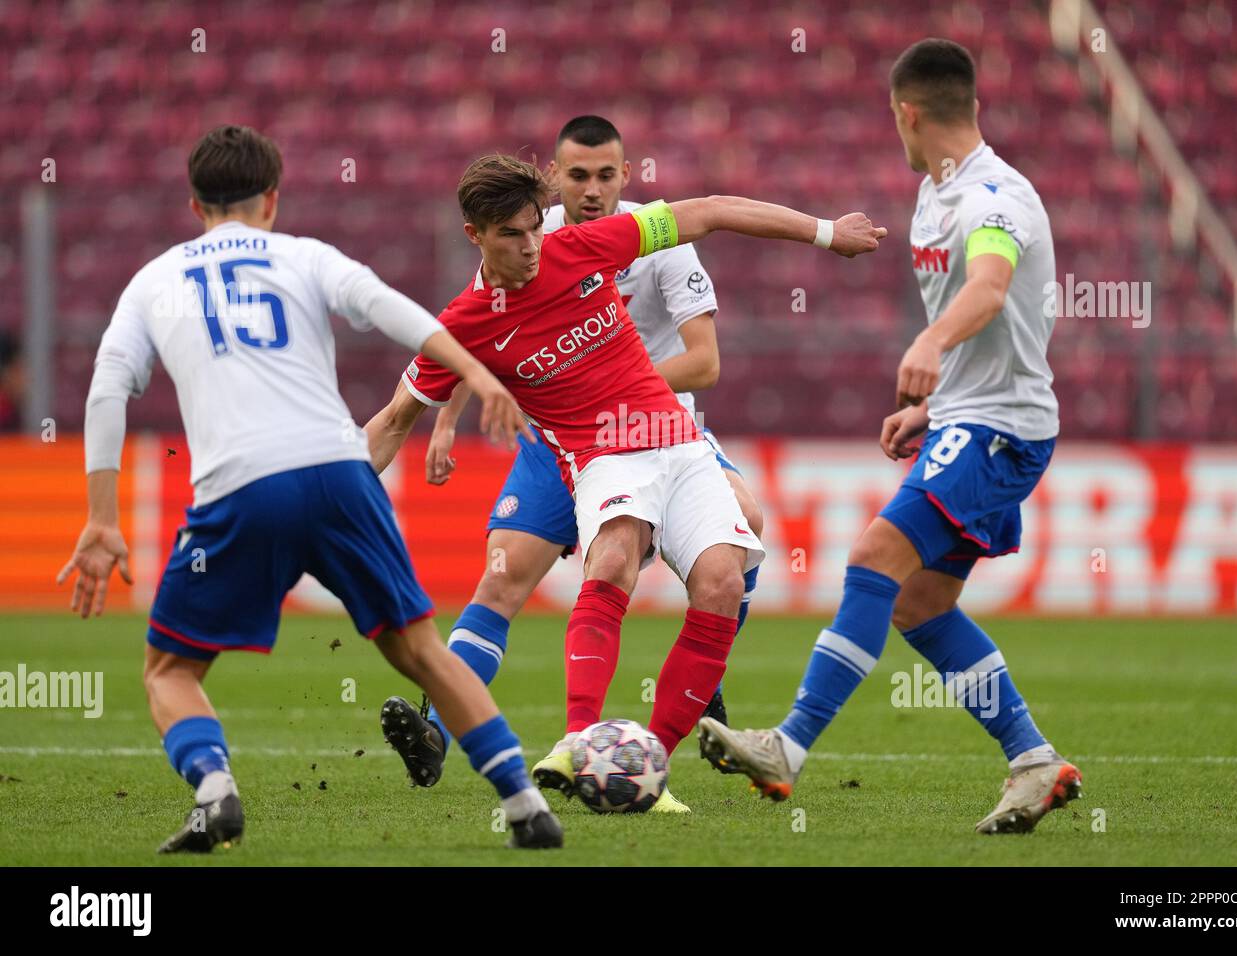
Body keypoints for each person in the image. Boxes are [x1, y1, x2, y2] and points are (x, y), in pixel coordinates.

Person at [56, 124, 563, 852]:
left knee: (170, 668)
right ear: (272, 197)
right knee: (422, 649)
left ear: (195, 202)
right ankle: (522, 802)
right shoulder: (304, 256)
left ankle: (215, 790)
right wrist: (480, 375)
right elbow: (397, 312)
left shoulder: (154, 281)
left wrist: (101, 519)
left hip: (240, 487)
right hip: (340, 476)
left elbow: (107, 391)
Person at [365, 152, 886, 811]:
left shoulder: (581, 245)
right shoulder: (464, 322)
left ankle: (649, 765)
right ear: (474, 235)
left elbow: (713, 210)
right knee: (610, 560)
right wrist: (335, 489)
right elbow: (392, 420)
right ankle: (583, 742)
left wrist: (824, 232)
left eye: (533, 229)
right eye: (510, 236)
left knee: (723, 581)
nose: (530, 248)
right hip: (601, 456)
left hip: (677, 440)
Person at [699, 38, 1081, 835]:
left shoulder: (992, 199)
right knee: (917, 602)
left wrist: (930, 346)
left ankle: (788, 747)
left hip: (1003, 429)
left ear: (907, 113)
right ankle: (1035, 761)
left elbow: (991, 284)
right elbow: (994, 319)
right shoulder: (935, 194)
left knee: (874, 559)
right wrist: (936, 409)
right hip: (974, 419)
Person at [381, 115, 765, 798]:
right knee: (501, 581)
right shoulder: (533, 231)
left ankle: (707, 687)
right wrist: (447, 419)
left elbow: (703, 363)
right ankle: (437, 726)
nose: (592, 189)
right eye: (578, 176)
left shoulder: (656, 236)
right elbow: (481, 332)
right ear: (556, 178)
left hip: (651, 424)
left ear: (628, 174)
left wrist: (608, 382)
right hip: (559, 438)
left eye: (606, 175)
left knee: (745, 522)